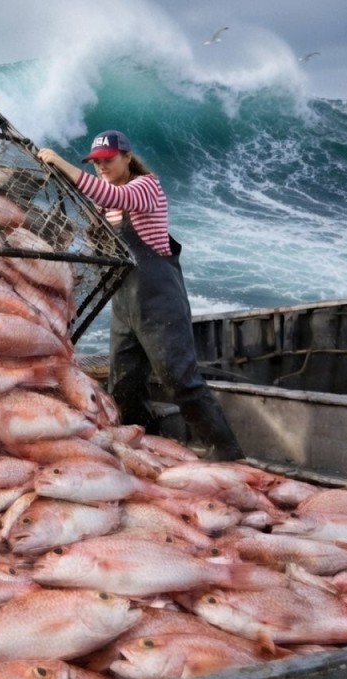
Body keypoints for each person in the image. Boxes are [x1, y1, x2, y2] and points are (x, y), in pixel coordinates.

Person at [38, 131, 243, 461]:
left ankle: (226, 450)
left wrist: (60, 163)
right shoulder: (107, 204)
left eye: (108, 160)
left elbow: (111, 194)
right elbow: (102, 204)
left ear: (127, 157)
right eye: (96, 162)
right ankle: (146, 445)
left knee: (178, 376)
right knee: (124, 383)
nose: (101, 166)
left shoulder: (146, 187)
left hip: (159, 298)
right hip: (125, 304)